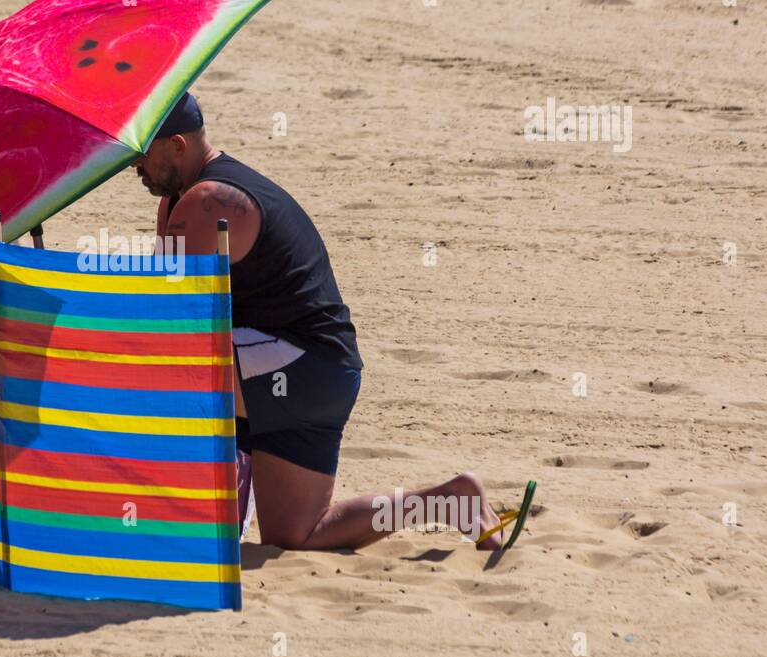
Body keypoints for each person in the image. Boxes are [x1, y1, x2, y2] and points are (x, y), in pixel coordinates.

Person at [134, 93, 506, 551]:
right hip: (322, 371)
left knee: (161, 372)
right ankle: (450, 502)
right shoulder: (181, 201)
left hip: (295, 368)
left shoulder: (205, 203)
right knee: (295, 535)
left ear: (176, 145)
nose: (135, 164)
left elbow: (174, 324)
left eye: (143, 151)